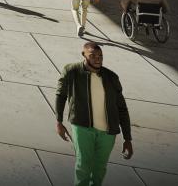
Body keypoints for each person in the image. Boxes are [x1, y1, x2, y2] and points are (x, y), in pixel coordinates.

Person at [55, 42, 133, 185]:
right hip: (82, 127)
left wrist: (127, 138)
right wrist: (59, 122)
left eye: (100, 56)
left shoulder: (111, 77)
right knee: (83, 166)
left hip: (108, 132)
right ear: (83, 55)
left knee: (99, 169)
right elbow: (61, 95)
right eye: (93, 56)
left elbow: (122, 108)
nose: (98, 59)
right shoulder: (71, 71)